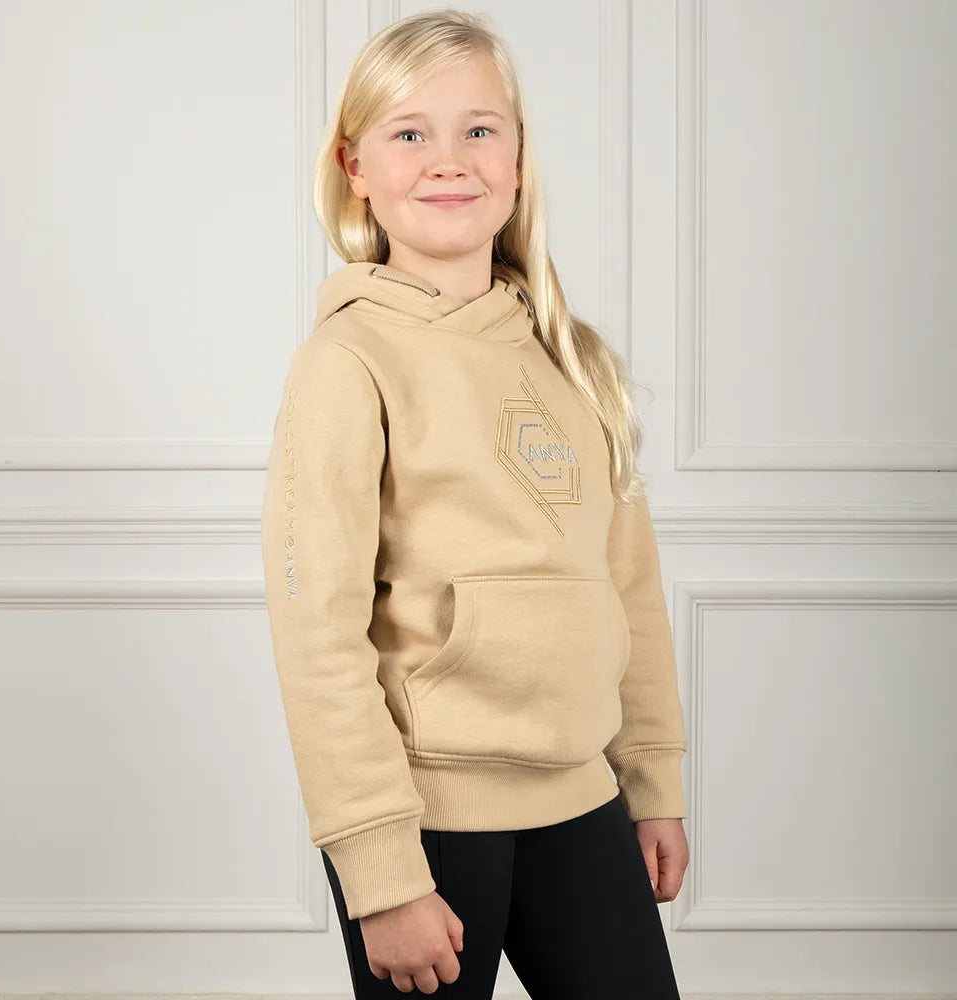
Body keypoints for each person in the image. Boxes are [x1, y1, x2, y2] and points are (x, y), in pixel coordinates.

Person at [260, 8, 689, 997]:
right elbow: (317, 632)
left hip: (582, 800)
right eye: (410, 133)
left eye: (479, 129)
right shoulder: (347, 362)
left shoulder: (571, 359)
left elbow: (628, 588)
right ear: (355, 166)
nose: (448, 159)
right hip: (428, 820)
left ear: (519, 159)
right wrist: (379, 870)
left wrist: (652, 779)